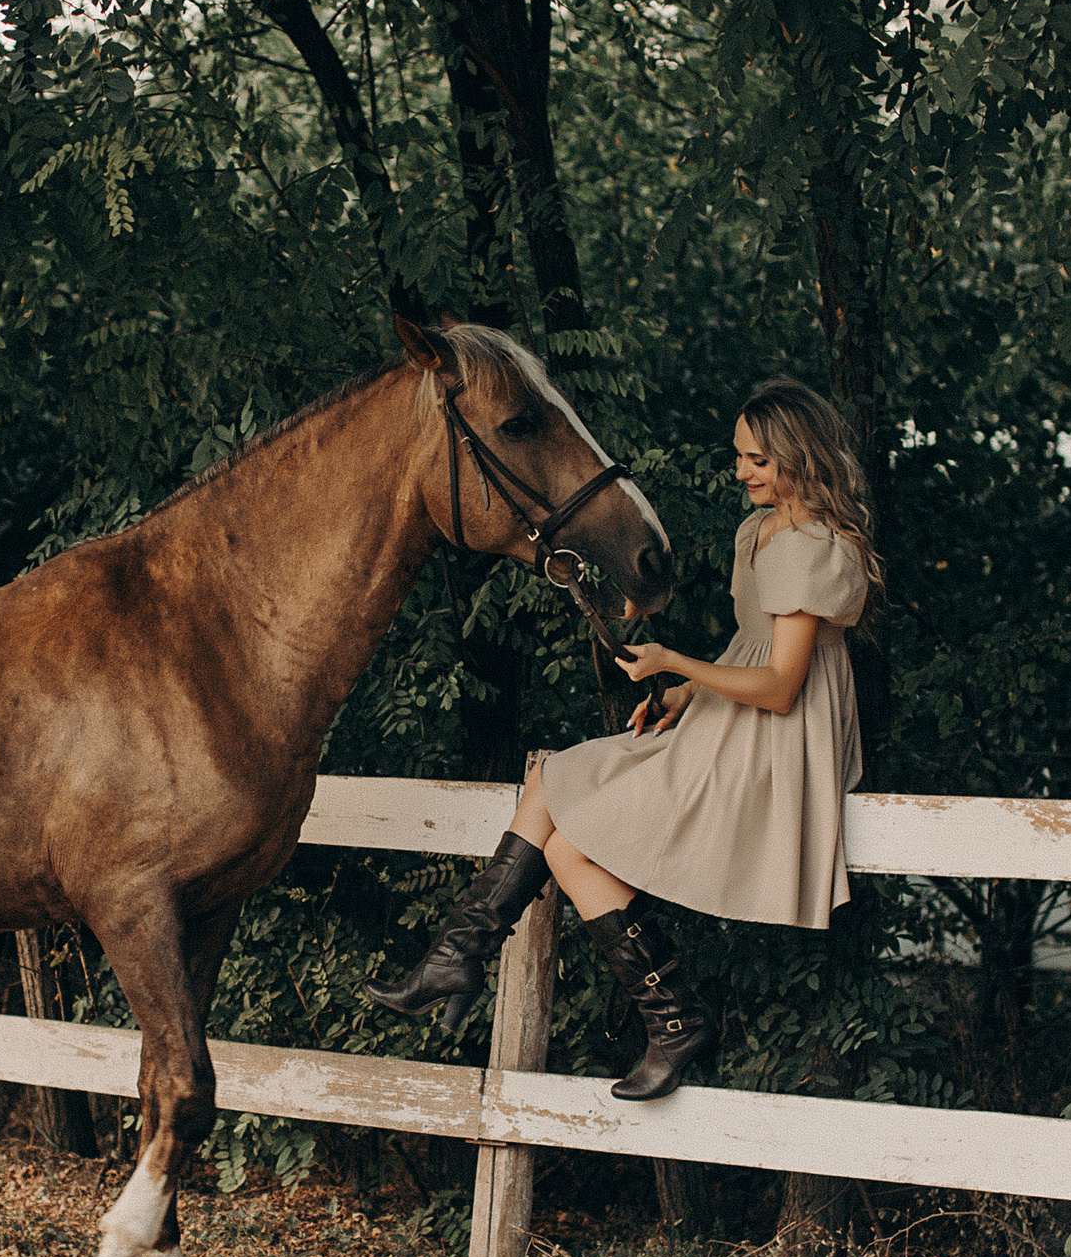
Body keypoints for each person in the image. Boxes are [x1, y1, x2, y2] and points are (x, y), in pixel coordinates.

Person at [363, 379, 882, 1101]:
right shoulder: (758, 533)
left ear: (799, 457)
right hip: (739, 715)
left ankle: (461, 956)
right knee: (567, 840)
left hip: (779, 742)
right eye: (738, 457)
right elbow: (752, 646)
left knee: (555, 784)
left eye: (758, 460)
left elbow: (783, 685)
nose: (741, 472)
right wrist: (683, 694)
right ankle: (666, 1016)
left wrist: (673, 661)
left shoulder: (807, 548)